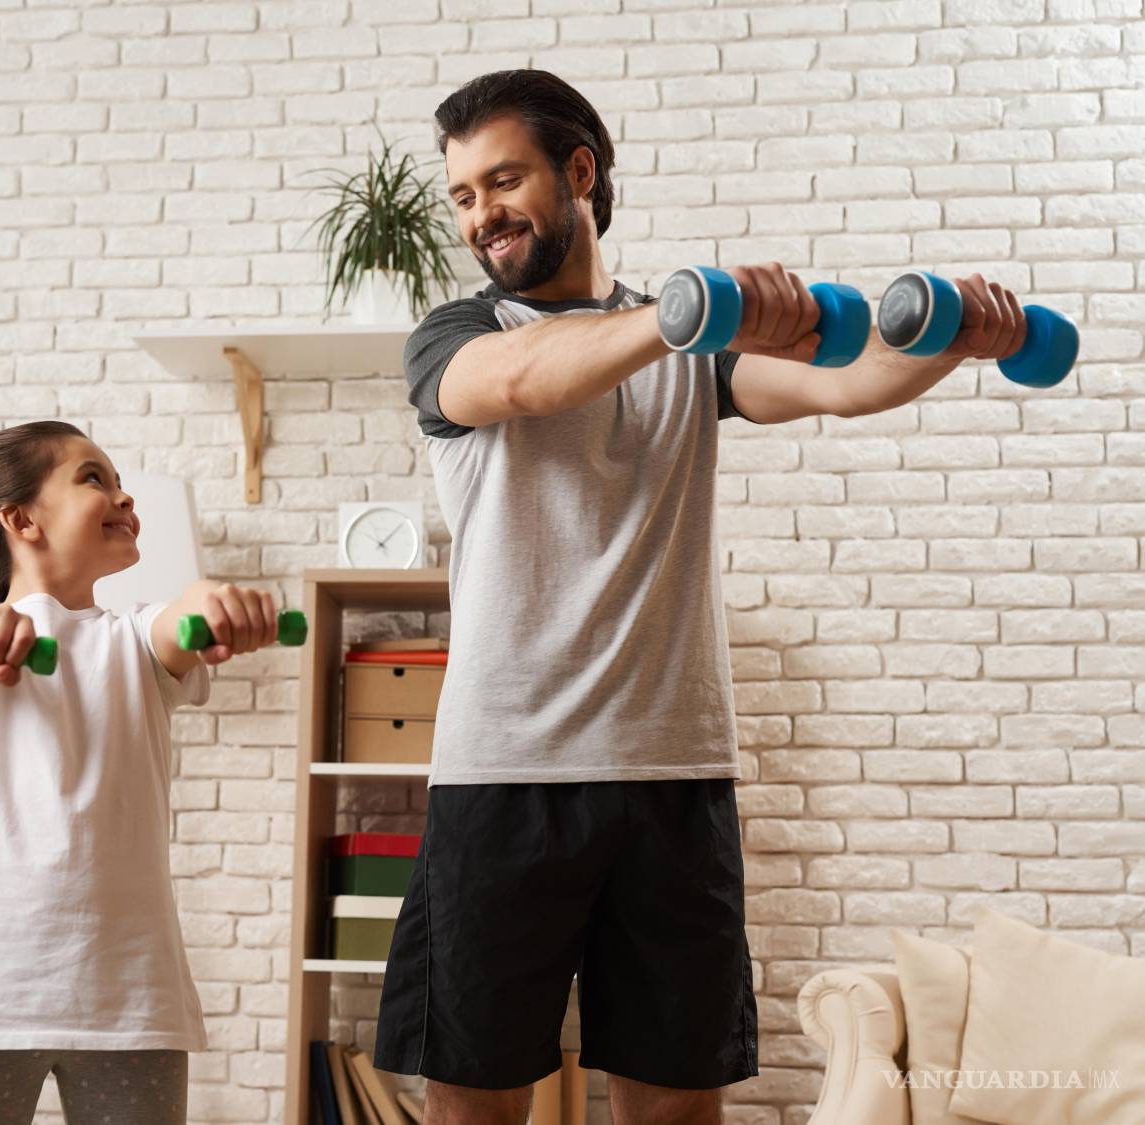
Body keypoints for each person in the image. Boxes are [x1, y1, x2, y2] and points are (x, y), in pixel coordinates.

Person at [371, 70, 1028, 1125]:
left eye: (502, 181)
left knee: (676, 1104)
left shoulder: (689, 351)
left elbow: (840, 383)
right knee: (474, 1102)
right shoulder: (456, 337)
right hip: (506, 775)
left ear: (578, 172)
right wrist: (682, 316)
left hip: (674, 775)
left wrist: (954, 342)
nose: (480, 213)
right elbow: (529, 383)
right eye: (460, 195)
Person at [0, 420, 285, 1125]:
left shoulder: (134, 638)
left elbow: (182, 616)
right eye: (92, 477)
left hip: (130, 1003)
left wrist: (210, 597)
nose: (122, 495)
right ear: (20, 519)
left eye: (117, 479)